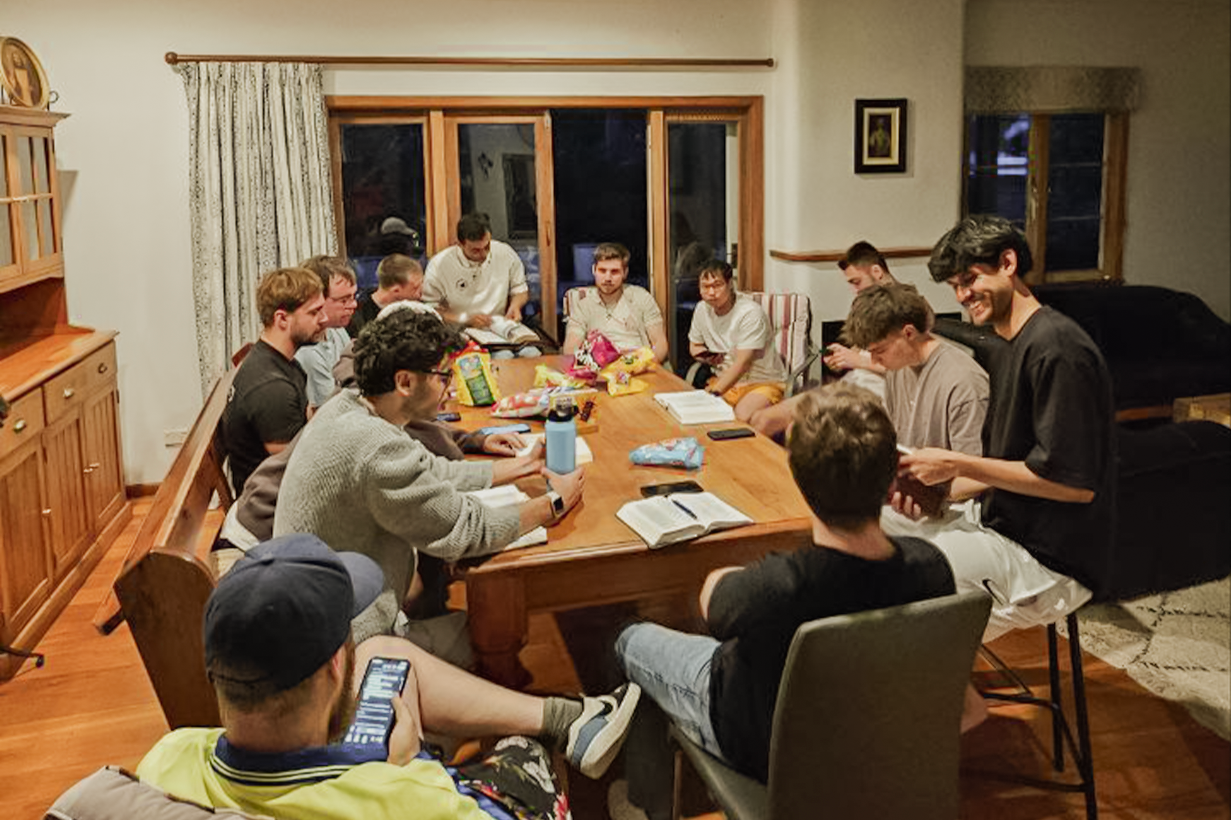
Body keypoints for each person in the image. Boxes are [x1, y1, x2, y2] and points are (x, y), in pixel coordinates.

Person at [612, 385, 956, 816]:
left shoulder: (777, 587)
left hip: (757, 742)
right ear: (893, 476)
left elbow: (711, 600)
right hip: (874, 743)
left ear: (797, 476)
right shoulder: (932, 568)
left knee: (625, 637)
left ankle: (642, 803)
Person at [135, 534, 641, 820]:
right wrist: (412, 763)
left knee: (386, 655)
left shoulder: (166, 758)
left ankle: (570, 722)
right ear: (337, 665)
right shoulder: (404, 799)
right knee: (522, 746)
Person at [273, 308, 584, 645]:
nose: (450, 389)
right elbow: (464, 529)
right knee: (507, 631)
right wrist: (554, 503)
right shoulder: (376, 445)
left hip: (317, 606)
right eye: (443, 376)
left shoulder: (350, 404)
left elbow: (431, 469)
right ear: (404, 381)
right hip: (346, 639)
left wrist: (522, 465)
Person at [887, 214, 1114, 647]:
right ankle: (943, 694)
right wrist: (935, 490)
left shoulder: (1058, 349)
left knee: (898, 581)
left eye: (970, 279)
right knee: (870, 531)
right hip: (1001, 525)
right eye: (954, 286)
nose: (962, 295)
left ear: (1008, 263)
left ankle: (948, 704)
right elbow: (1006, 462)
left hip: (1051, 559)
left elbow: (1074, 486)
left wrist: (955, 462)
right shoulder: (1009, 345)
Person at [752, 283, 989, 452]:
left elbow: (975, 478)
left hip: (951, 511)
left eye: (879, 351)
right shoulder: (900, 367)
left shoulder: (963, 382)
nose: (874, 360)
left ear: (908, 333)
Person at [220, 267, 326, 496]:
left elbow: (305, 419)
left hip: (280, 489)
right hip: (267, 506)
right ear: (282, 319)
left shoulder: (284, 363)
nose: (324, 319)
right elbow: (295, 469)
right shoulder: (271, 388)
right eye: (314, 312)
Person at [423, 212, 541, 358]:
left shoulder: (505, 253)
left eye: (487, 246)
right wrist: (465, 319)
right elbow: (430, 309)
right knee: (504, 356)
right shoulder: (439, 265)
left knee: (532, 354)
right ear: (459, 244)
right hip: (462, 329)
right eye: (475, 250)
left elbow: (520, 290)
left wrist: (515, 306)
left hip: (499, 326)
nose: (483, 254)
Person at [687, 259, 786, 422]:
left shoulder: (750, 313)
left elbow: (743, 363)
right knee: (698, 418)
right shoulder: (701, 309)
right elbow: (695, 346)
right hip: (724, 379)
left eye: (717, 285)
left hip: (761, 382)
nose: (711, 292)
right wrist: (707, 357)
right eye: (705, 287)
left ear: (730, 284)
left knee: (740, 418)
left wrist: (713, 394)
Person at [562, 242, 668, 363]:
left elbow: (660, 345)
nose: (608, 278)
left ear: (625, 273)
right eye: (602, 271)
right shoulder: (582, 304)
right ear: (594, 270)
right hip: (597, 368)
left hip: (638, 366)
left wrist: (644, 366)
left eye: (614, 272)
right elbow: (570, 349)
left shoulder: (642, 297)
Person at [824, 240, 897, 378]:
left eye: (857, 282)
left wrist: (857, 361)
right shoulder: (869, 306)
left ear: (876, 271)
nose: (854, 291)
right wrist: (841, 357)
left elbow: (907, 370)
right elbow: (861, 348)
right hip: (860, 383)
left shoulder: (904, 308)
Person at [294, 256, 359, 409]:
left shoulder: (337, 330)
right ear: (317, 300)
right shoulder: (308, 352)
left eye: (353, 296)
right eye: (344, 300)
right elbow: (331, 411)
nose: (354, 304)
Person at [349, 253, 426, 337]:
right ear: (396, 290)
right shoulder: (358, 318)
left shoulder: (419, 310)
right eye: (415, 288)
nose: (421, 293)